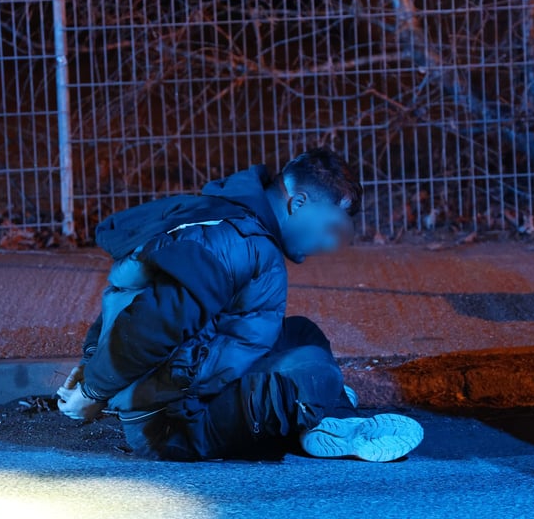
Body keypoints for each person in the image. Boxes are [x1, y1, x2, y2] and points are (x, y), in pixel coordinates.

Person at [57, 148, 424, 462]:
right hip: (172, 425)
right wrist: (93, 391)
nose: (330, 245)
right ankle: (326, 412)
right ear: (298, 203)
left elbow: (128, 297)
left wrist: (90, 365)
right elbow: (151, 324)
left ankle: (333, 418)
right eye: (330, 228)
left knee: (301, 333)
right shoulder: (238, 242)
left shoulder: (224, 216)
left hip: (185, 383)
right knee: (315, 377)